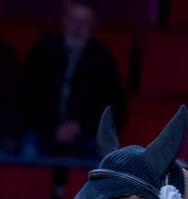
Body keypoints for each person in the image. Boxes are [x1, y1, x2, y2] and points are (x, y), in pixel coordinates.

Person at [18, 0, 125, 159]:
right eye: (72, 20)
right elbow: (25, 98)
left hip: (86, 133)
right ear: (64, 21)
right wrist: (52, 128)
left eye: (83, 22)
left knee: (103, 157)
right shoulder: (42, 53)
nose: (77, 27)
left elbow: (113, 107)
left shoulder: (103, 60)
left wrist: (78, 127)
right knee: (28, 150)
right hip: (43, 130)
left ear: (93, 26)